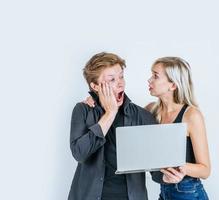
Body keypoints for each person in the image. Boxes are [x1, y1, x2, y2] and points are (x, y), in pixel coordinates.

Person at [68, 52, 183, 200]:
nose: (120, 83)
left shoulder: (142, 116)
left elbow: (155, 168)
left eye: (121, 76)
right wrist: (110, 113)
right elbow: (79, 153)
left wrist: (167, 177)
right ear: (95, 86)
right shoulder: (83, 110)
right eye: (112, 79)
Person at [145, 57, 211, 200]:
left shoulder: (192, 115)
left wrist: (181, 168)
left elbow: (205, 170)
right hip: (164, 191)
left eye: (155, 76)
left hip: (188, 193)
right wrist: (95, 99)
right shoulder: (151, 111)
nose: (149, 80)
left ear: (173, 85)